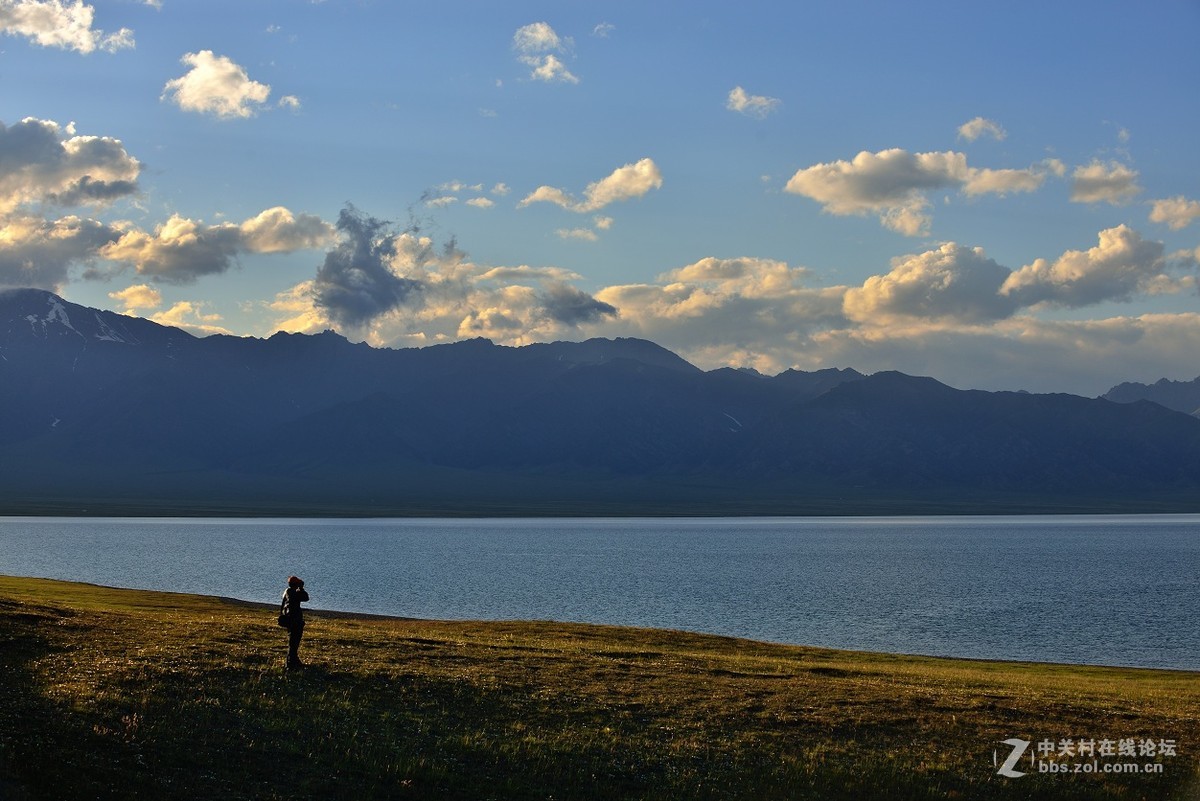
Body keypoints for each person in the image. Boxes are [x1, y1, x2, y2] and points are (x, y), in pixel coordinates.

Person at [280, 575, 309, 670]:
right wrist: (301, 588)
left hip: (289, 620)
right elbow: (305, 597)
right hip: (294, 621)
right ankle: (290, 664)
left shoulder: (287, 592)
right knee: (294, 643)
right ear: (295, 584)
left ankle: (294, 661)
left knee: (293, 642)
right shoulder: (294, 593)